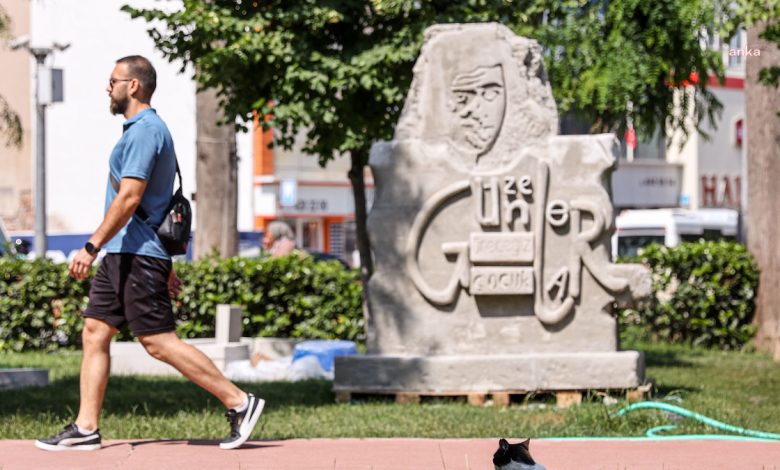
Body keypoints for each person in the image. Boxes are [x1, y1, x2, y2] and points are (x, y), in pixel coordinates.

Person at [35, 55, 264, 452]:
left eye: (113, 80)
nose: (108, 87)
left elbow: (130, 197)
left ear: (134, 85)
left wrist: (91, 246)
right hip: (125, 253)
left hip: (135, 254)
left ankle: (240, 402)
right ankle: (86, 427)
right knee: (95, 331)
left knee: (158, 341)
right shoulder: (138, 131)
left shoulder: (145, 131)